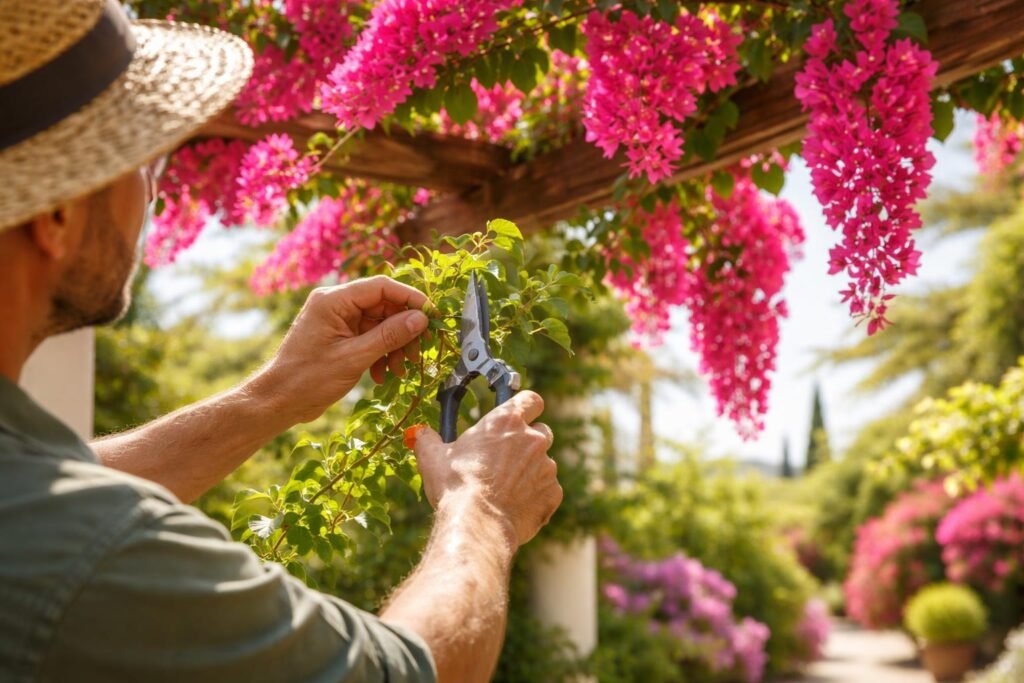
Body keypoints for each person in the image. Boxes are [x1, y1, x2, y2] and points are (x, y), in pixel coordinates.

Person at [0, 1, 563, 681]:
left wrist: (273, 395)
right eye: (140, 153)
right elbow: (412, 672)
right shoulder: (98, 552)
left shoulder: (32, 504)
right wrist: (483, 508)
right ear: (57, 211)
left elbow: (56, 486)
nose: (154, 183)